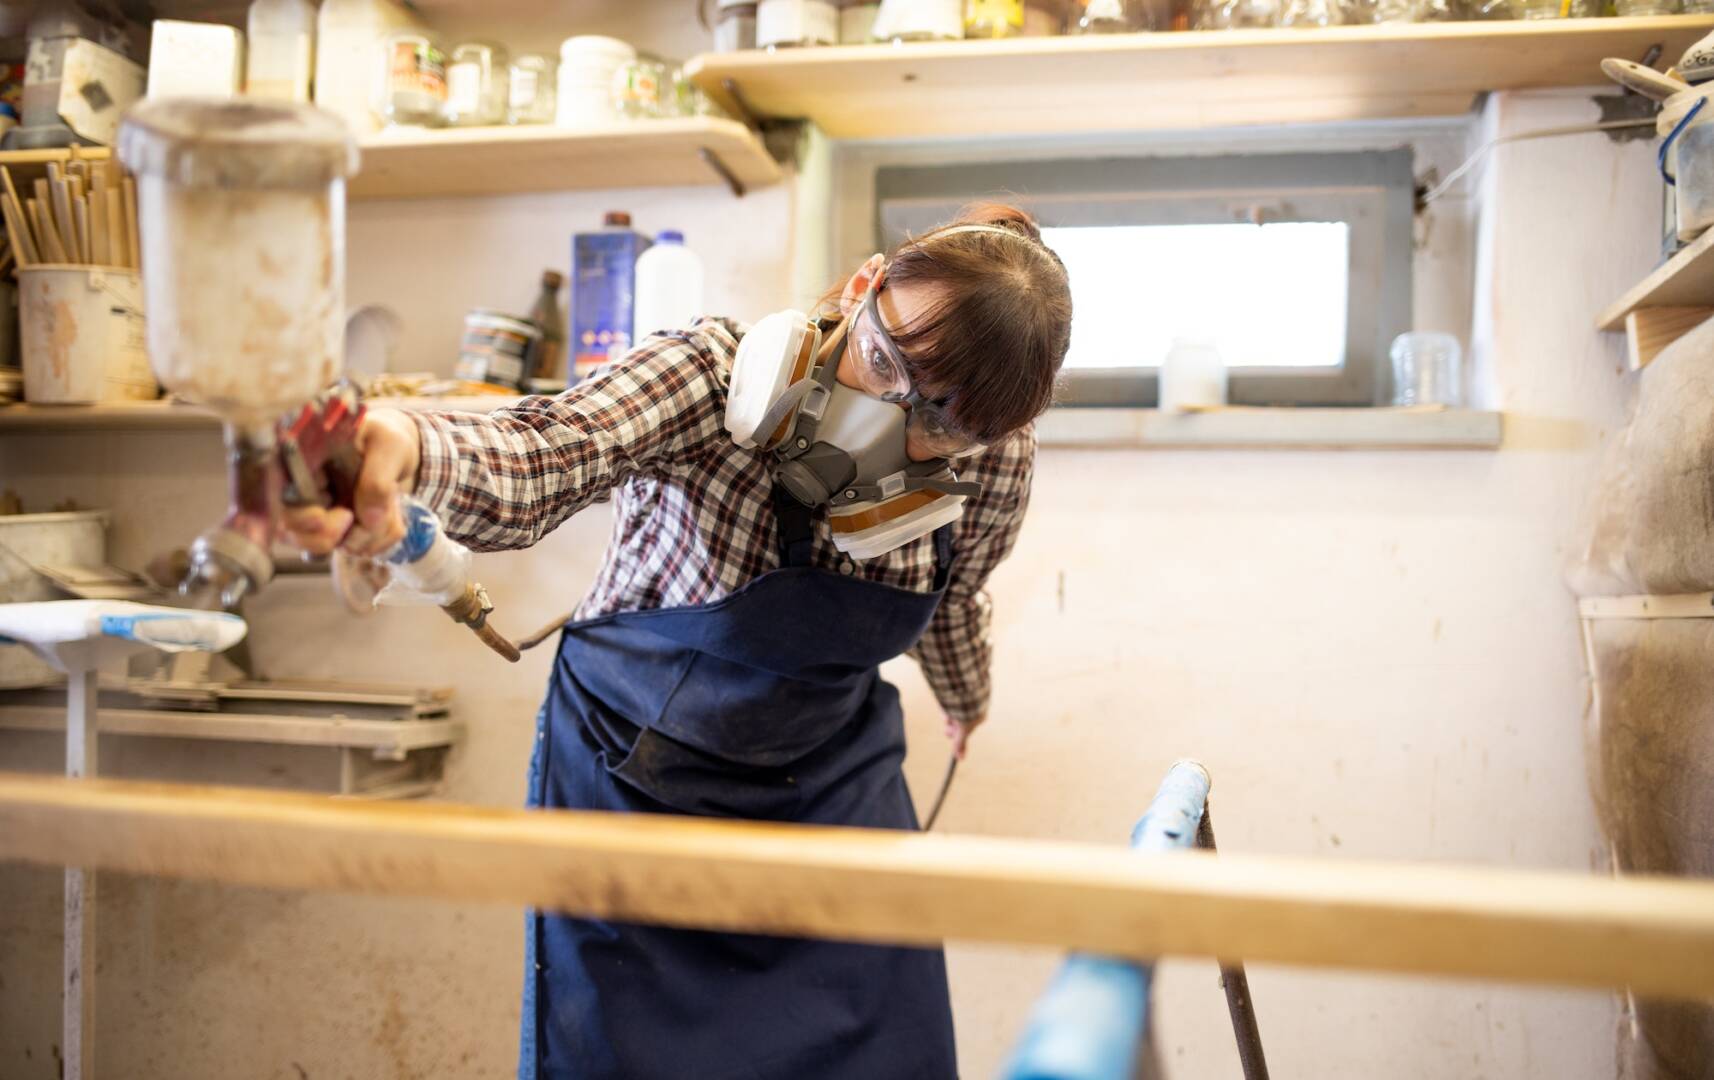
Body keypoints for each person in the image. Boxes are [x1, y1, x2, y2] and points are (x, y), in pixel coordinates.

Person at [287, 203, 1073, 1079]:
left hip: (829, 783)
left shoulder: (995, 457)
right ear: (862, 290)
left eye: (944, 423)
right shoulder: (708, 374)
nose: (890, 425)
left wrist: (968, 702)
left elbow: (957, 595)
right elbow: (546, 452)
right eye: (884, 364)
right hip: (633, 775)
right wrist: (406, 446)